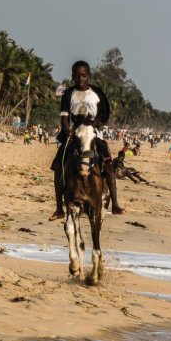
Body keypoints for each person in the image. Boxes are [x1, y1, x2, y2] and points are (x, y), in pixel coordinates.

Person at [48, 60, 124, 221]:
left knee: (109, 166)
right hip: (73, 135)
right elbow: (64, 117)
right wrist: (68, 129)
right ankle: (59, 207)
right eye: (77, 75)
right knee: (58, 165)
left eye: (83, 75)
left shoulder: (97, 93)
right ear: (73, 77)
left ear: (88, 75)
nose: (80, 78)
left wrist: (95, 124)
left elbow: (104, 116)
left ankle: (116, 204)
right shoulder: (68, 94)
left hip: (93, 134)